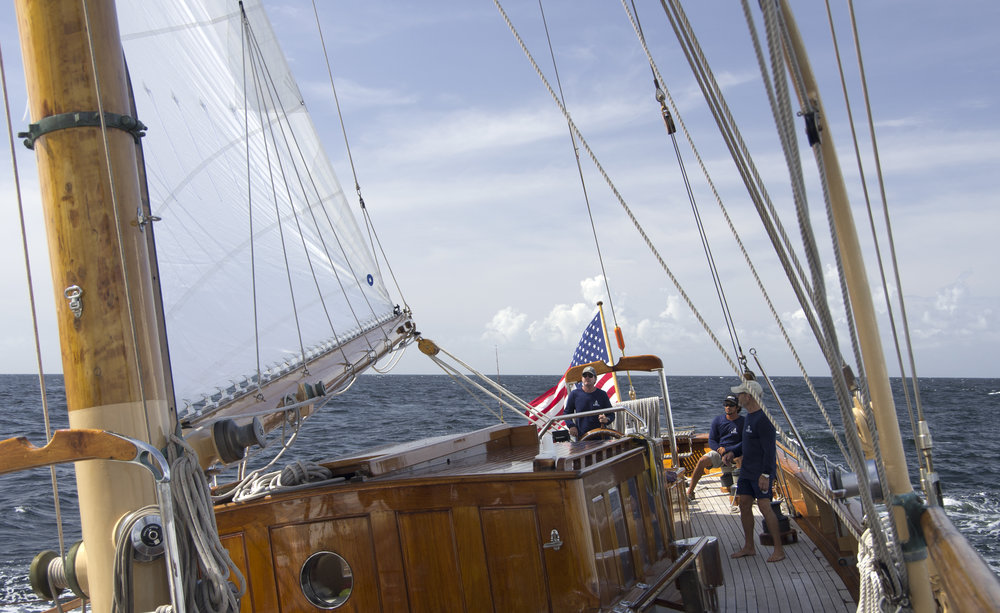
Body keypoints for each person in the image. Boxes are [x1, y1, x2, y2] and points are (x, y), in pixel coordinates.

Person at [723, 378, 785, 563]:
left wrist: (766, 475)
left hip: (760, 472)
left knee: (765, 507)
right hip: (747, 471)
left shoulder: (764, 420)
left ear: (748, 397)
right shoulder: (750, 416)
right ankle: (749, 546)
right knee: (744, 505)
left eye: (740, 394)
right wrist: (733, 452)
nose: (738, 397)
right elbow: (748, 443)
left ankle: (778, 550)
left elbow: (769, 450)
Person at [686, 394, 744, 501]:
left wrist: (730, 451)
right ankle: (690, 492)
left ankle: (742, 493)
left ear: (737, 407)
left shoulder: (743, 422)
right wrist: (720, 451)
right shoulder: (718, 420)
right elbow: (711, 440)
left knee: (740, 459)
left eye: (731, 405)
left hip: (737, 452)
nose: (728, 407)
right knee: (702, 460)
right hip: (720, 452)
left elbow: (745, 442)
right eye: (726, 404)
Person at [565, 365, 614, 439]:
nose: (587, 377)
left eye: (590, 375)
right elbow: (567, 413)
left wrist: (606, 419)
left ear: (595, 379)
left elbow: (611, 414)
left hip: (601, 437)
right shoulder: (574, 394)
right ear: (582, 379)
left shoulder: (602, 394)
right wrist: (571, 426)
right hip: (582, 438)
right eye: (584, 375)